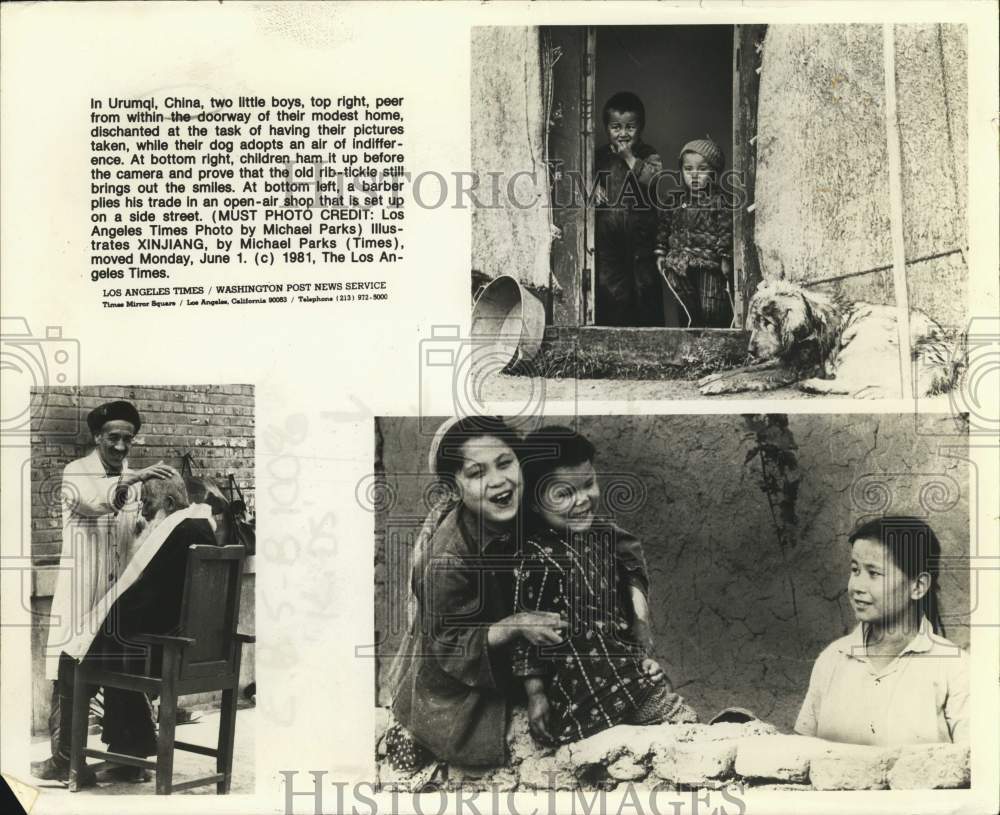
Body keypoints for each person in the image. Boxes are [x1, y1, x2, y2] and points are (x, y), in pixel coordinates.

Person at [388, 416, 566, 768]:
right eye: (476, 473)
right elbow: (449, 642)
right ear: (454, 489)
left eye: (505, 463)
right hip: (459, 672)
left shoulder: (530, 511)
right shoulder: (447, 557)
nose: (498, 480)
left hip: (525, 655)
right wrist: (514, 625)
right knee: (450, 730)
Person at [512, 427, 697, 745]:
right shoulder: (538, 558)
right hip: (588, 692)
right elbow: (528, 639)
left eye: (588, 485)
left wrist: (642, 656)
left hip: (630, 678)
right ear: (533, 503)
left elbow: (621, 609)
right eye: (563, 494)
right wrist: (536, 694)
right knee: (689, 728)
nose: (582, 500)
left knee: (684, 729)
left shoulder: (602, 538)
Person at [33, 400, 173, 785]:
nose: (122, 446)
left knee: (122, 668)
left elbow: (129, 533)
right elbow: (95, 502)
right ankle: (65, 760)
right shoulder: (76, 473)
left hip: (116, 596)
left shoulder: (132, 477)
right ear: (97, 437)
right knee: (69, 669)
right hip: (81, 592)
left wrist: (153, 523)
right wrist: (133, 480)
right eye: (114, 437)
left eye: (128, 438)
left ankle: (129, 758)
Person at [794, 516, 969, 746]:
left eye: (874, 573)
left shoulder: (955, 669)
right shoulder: (832, 659)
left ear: (918, 586)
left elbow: (977, 765)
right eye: (855, 570)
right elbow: (802, 750)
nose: (857, 586)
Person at [594, 91, 664, 327]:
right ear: (606, 128)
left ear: (640, 128)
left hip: (642, 236)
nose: (623, 133)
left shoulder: (648, 154)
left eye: (630, 127)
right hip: (608, 238)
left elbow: (653, 180)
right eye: (616, 127)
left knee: (645, 287)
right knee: (611, 289)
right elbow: (586, 177)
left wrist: (629, 157)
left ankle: (651, 342)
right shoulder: (600, 156)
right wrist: (592, 188)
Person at [655, 137, 734, 328]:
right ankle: (689, 347)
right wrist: (661, 252)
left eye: (702, 169)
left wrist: (725, 258)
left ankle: (712, 350)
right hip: (680, 263)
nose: (695, 175)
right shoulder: (674, 200)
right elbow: (664, 227)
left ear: (714, 172)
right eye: (688, 169)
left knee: (711, 306)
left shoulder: (721, 200)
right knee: (686, 306)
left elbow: (725, 229)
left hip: (708, 263)